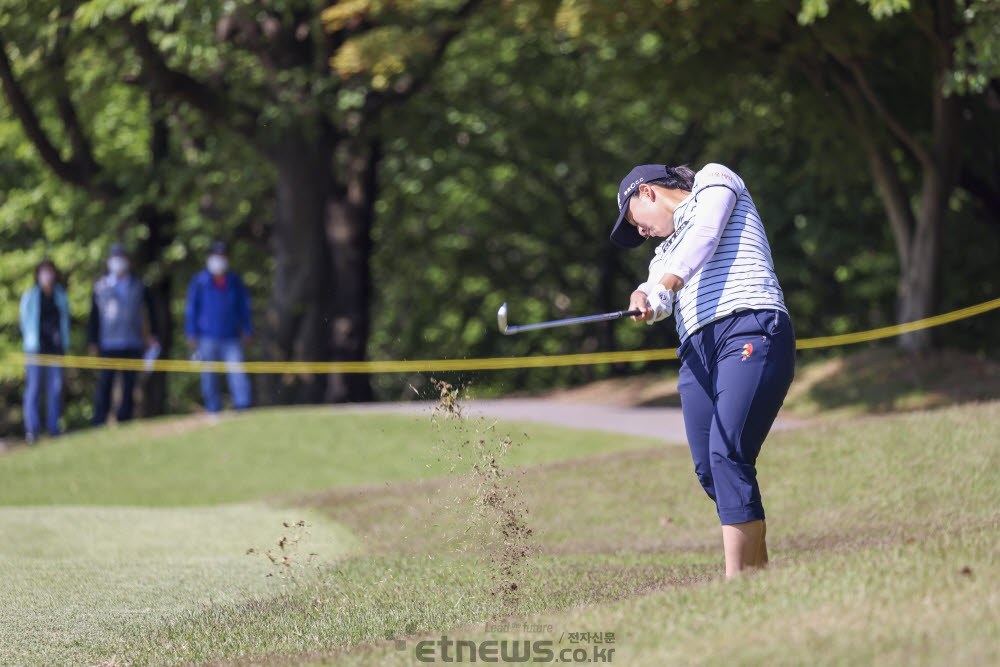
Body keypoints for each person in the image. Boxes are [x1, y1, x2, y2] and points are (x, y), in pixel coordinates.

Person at [610, 162, 795, 578]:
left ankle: (739, 583)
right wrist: (644, 295)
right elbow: (656, 284)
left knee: (727, 452)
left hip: (749, 325)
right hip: (697, 352)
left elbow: (706, 235)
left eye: (634, 221)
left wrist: (664, 287)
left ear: (648, 192)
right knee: (710, 468)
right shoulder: (665, 252)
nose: (639, 233)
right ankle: (762, 576)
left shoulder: (715, 180)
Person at [88, 244, 159, 425]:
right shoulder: (100, 286)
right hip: (108, 343)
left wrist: (153, 334)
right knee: (105, 383)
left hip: (132, 341)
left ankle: (125, 418)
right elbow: (93, 316)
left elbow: (151, 311)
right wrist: (93, 340)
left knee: (129, 384)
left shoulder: (138, 284)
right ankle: (100, 419)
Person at [184, 241, 253, 413]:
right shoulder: (200, 281)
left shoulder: (235, 281)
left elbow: (244, 307)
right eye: (216, 256)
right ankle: (213, 409)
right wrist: (191, 333)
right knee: (209, 376)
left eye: (222, 257)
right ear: (209, 258)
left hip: (231, 336)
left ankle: (242, 406)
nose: (219, 260)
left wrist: (247, 329)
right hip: (207, 337)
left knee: (237, 372)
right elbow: (191, 309)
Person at [19, 259, 71, 444]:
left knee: (55, 389)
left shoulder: (60, 295)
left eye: (50, 271)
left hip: (55, 349)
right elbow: (24, 322)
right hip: (35, 350)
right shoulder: (31, 296)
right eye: (43, 271)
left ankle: (53, 427)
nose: (47, 275)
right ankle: (32, 430)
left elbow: (65, 320)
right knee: (33, 390)